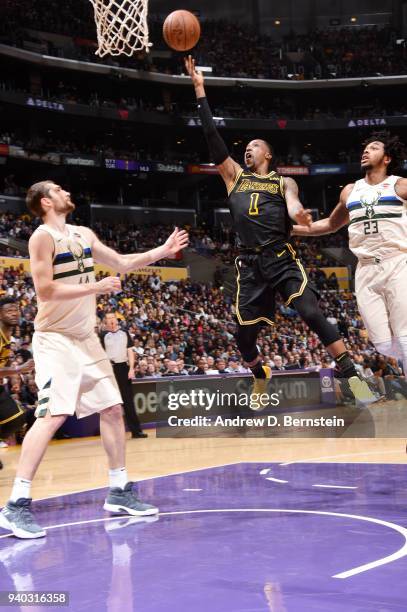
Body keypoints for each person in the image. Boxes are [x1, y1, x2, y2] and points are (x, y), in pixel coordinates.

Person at [0, 180, 188, 539]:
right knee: (52, 413)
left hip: (86, 340)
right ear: (45, 201)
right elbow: (45, 290)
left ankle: (119, 490)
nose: (65, 191)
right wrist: (95, 287)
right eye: (57, 189)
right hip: (55, 340)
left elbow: (120, 262)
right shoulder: (42, 237)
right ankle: (16, 505)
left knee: (114, 409)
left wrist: (160, 252)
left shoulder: (83, 232)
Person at [184, 55, 375, 404]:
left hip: (280, 257)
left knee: (310, 312)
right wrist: (200, 93)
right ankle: (260, 373)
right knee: (243, 337)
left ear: (268, 155)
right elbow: (213, 140)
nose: (247, 150)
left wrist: (299, 213)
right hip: (249, 265)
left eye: (254, 146)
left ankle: (352, 376)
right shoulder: (234, 179)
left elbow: (292, 205)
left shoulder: (282, 181)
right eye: (246, 148)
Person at [292, 131, 407, 382]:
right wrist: (289, 229)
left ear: (387, 158)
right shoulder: (350, 191)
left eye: (374, 148)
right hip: (364, 269)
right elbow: (331, 225)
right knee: (383, 344)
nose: (366, 151)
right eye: (365, 148)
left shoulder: (400, 185)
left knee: (405, 336)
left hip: (398, 263)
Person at [0, 298, 35, 469]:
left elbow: (5, 362)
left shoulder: (8, 336)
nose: (14, 313)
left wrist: (14, 379)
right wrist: (18, 370)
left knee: (16, 418)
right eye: (9, 311)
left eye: (15, 310)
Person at [100, 312, 147, 439]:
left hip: (123, 369)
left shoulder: (124, 333)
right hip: (110, 369)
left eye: (112, 318)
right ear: (105, 321)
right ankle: (112, 433)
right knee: (111, 402)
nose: (111, 320)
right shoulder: (103, 335)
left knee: (128, 401)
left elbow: (130, 351)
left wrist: (131, 368)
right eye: (108, 318)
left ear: (116, 319)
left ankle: (136, 431)